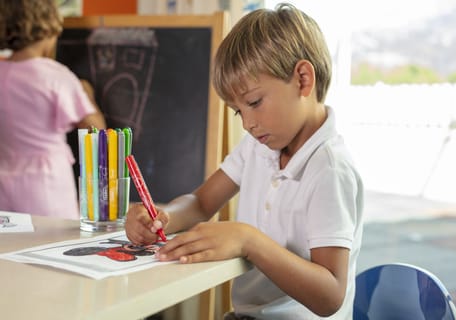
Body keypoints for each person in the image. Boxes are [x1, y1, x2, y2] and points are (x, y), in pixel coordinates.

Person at [125, 3, 363, 319]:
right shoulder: (259, 146)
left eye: (254, 102)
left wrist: (248, 240)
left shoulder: (328, 169)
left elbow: (330, 294)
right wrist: (164, 216)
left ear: (303, 79)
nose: (247, 123)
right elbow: (200, 203)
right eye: (239, 111)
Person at [0, 0, 106, 219]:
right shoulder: (55, 76)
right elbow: (96, 128)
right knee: (53, 243)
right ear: (49, 28)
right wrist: (87, 94)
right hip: (46, 185)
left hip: (4, 180)